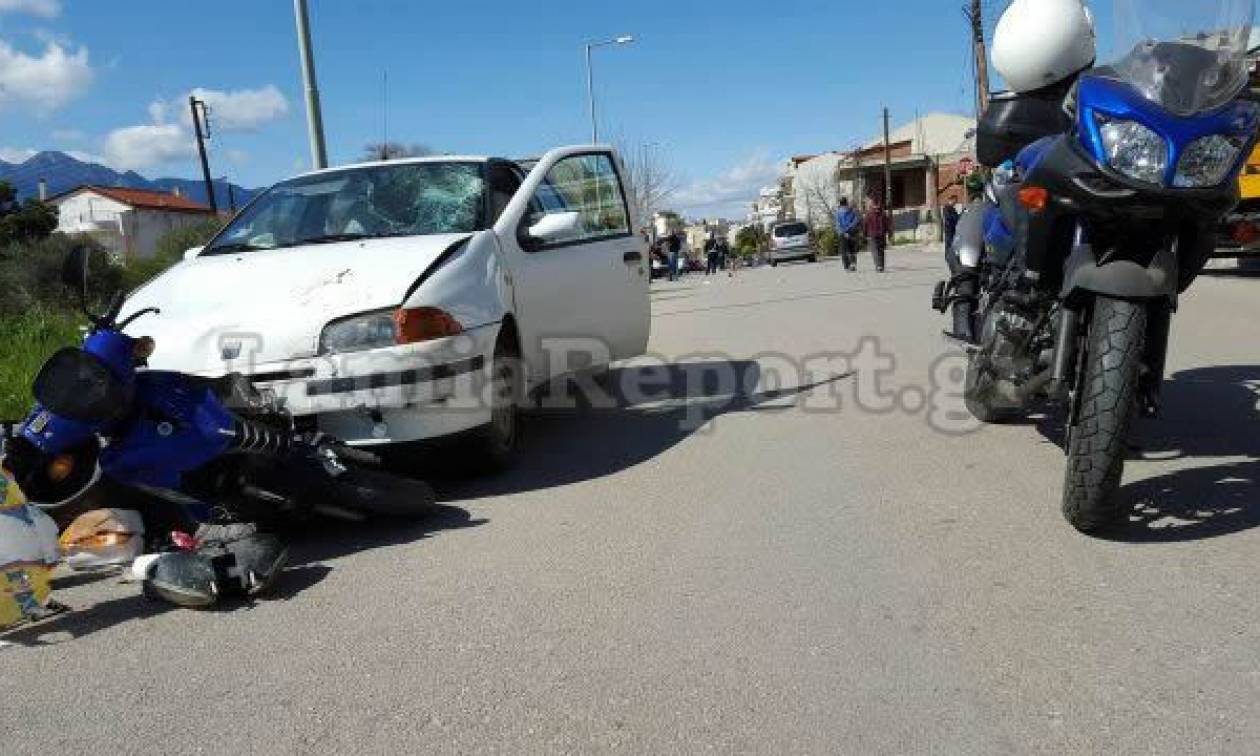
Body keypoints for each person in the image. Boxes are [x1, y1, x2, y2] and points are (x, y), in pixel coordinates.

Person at [863, 196, 891, 273]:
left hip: (872, 235)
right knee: (881, 251)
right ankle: (881, 266)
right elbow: (887, 224)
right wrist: (889, 232)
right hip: (881, 234)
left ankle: (878, 266)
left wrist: (864, 234)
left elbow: (865, 224)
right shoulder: (882, 213)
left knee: (875, 251)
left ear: (872, 204)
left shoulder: (869, 214)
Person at [834, 198, 860, 271]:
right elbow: (855, 221)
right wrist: (847, 230)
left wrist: (844, 231)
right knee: (848, 250)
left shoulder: (840, 213)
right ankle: (850, 265)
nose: (843, 207)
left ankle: (850, 265)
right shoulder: (850, 211)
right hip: (848, 232)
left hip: (846, 233)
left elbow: (838, 224)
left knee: (848, 250)